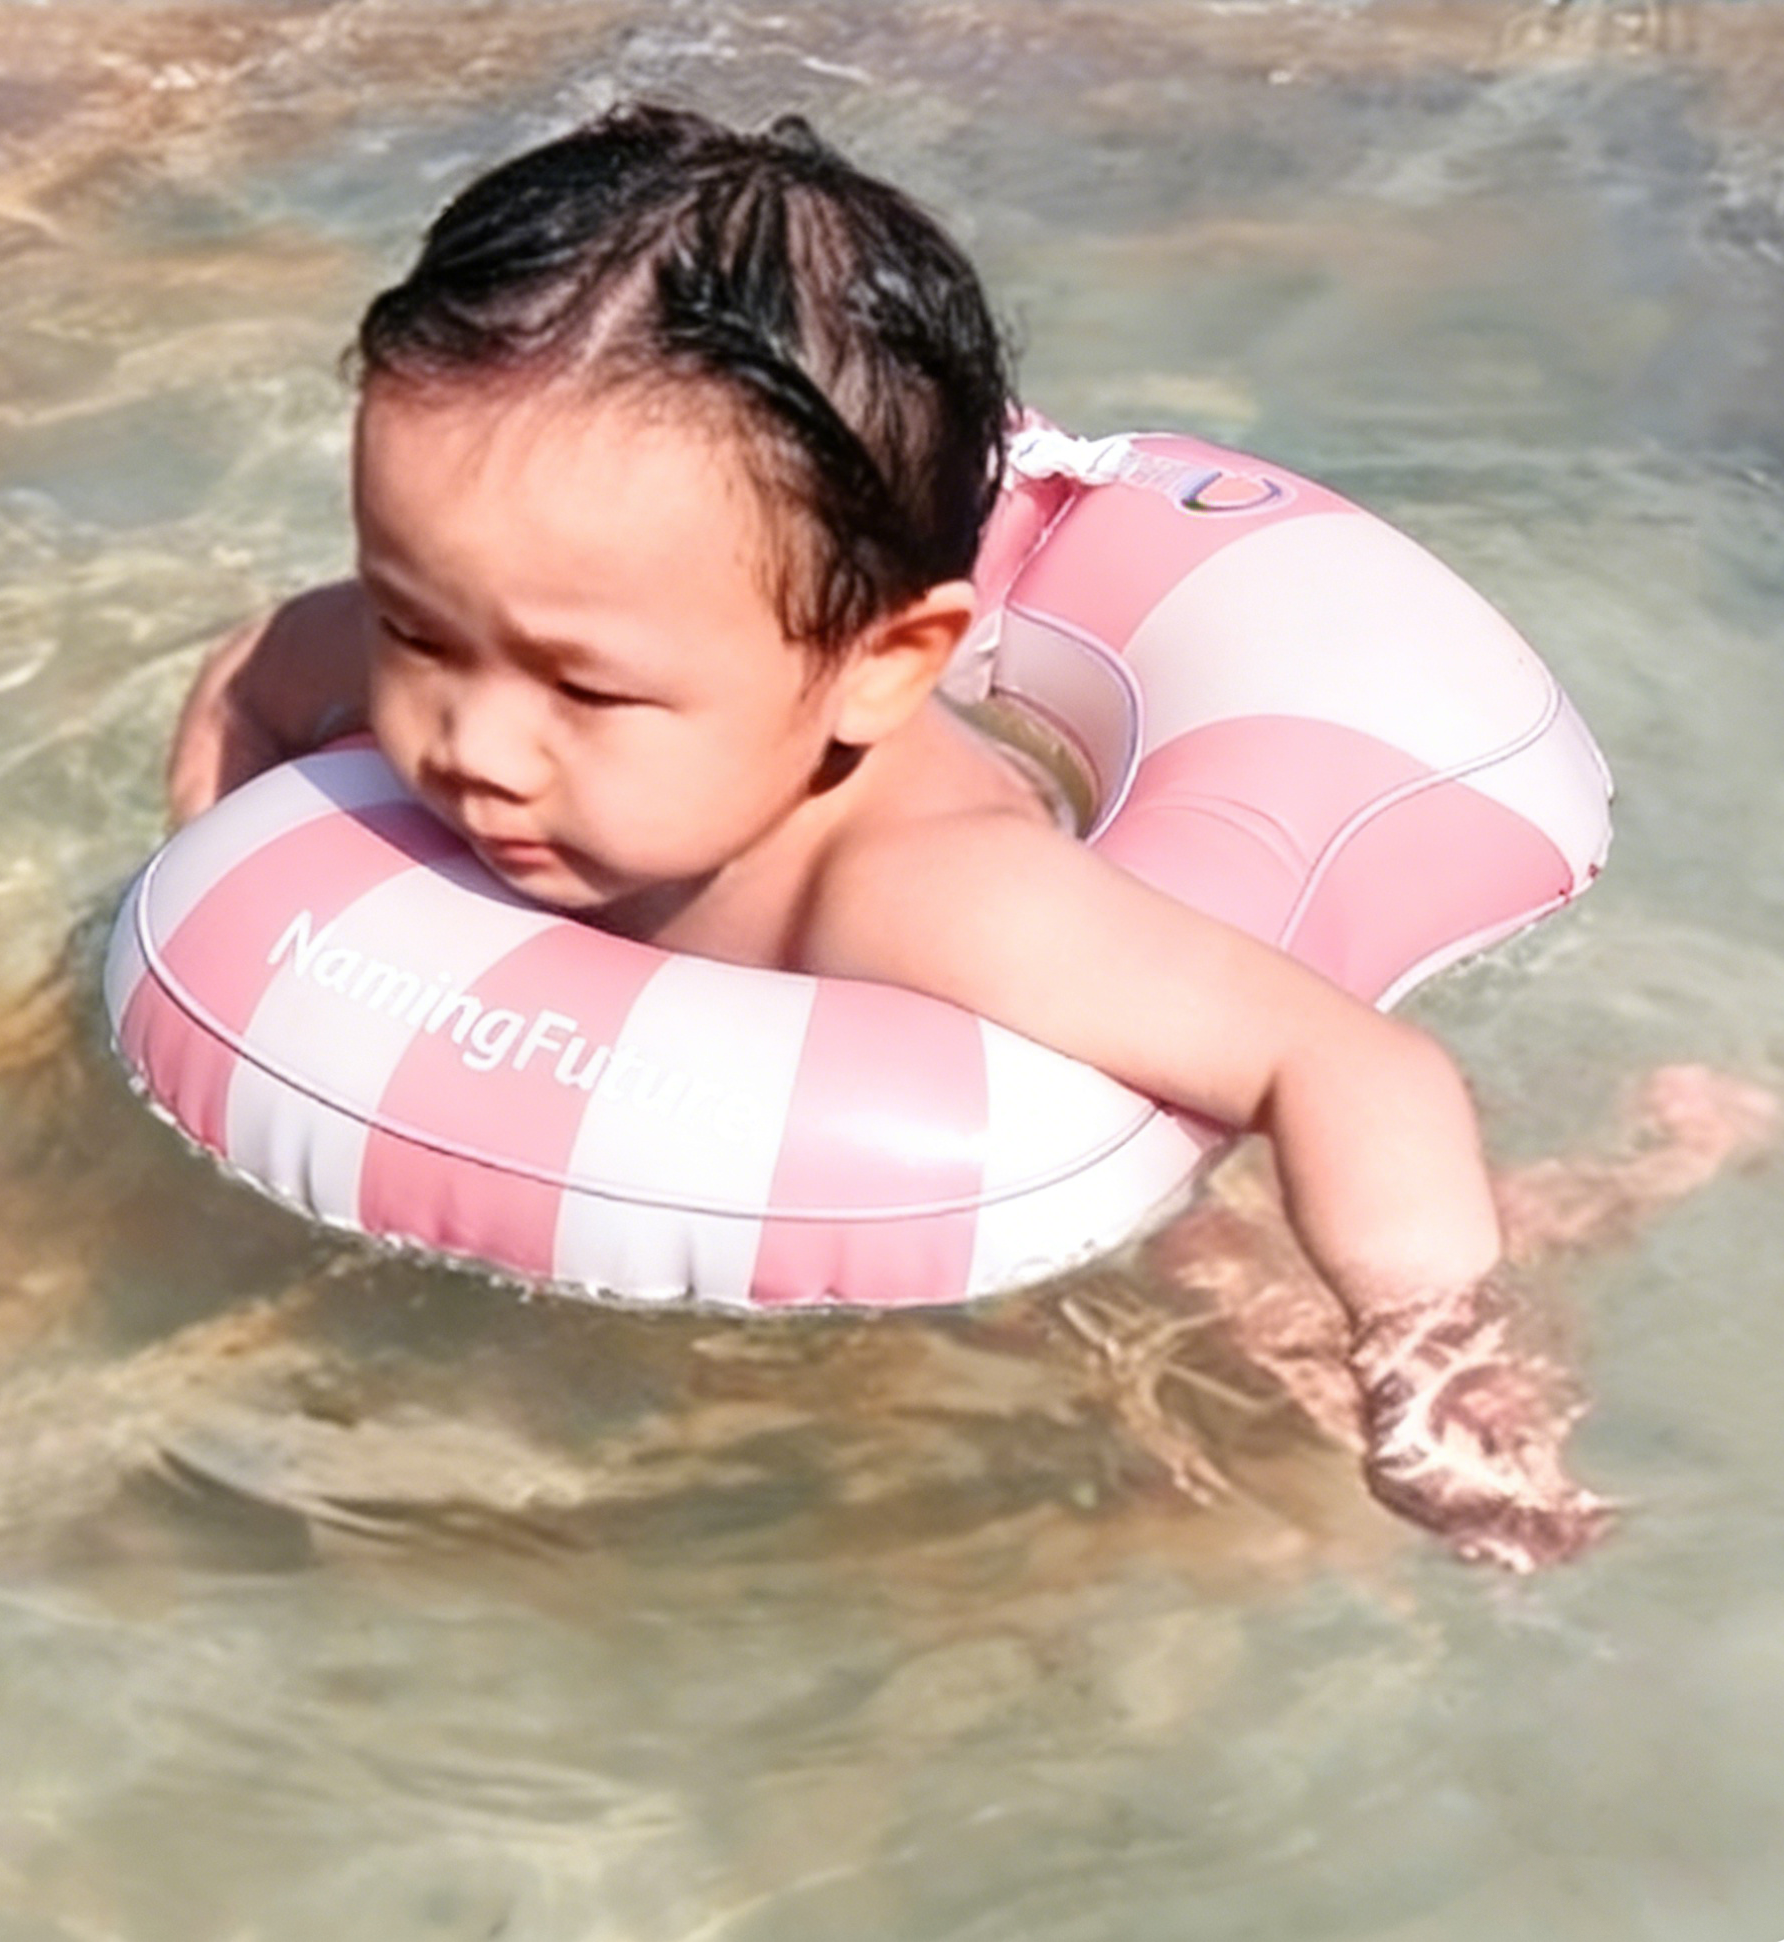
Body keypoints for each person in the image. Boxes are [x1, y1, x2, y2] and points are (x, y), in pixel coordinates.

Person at [167, 103, 1613, 1571]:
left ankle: (1629, 1168)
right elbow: (247, 677)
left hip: (986, 1203)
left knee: (1221, 1426)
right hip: (645, 1148)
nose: (468, 740)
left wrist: (1427, 1362)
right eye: (419, 627)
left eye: (586, 687)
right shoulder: (423, 667)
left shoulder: (927, 894)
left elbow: (1345, 1063)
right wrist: (229, 948)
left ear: (880, 663)